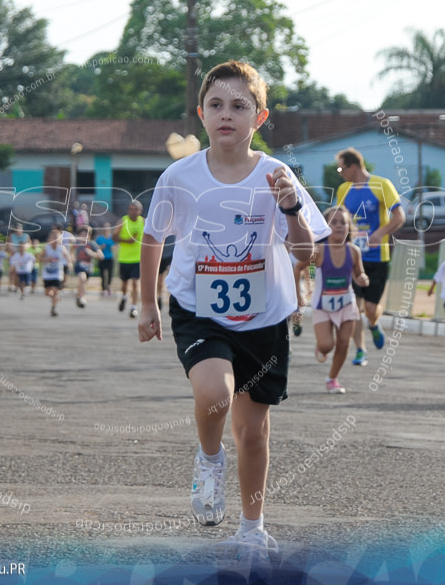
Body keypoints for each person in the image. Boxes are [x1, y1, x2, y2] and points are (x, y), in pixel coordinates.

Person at [137, 61, 329, 560]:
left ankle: (251, 526)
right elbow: (154, 236)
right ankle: (207, 457)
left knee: (253, 431)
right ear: (202, 114)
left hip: (263, 315)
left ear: (259, 117)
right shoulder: (180, 175)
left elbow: (307, 256)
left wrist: (290, 211)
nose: (227, 115)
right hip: (198, 308)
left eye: (239, 106)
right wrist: (147, 303)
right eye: (217, 105)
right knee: (215, 392)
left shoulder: (277, 176)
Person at [334, 147, 405, 365]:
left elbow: (399, 216)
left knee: (371, 309)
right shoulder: (343, 190)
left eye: (341, 168)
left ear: (353, 166)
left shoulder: (381, 185)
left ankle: (374, 324)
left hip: (377, 256)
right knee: (354, 307)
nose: (340, 173)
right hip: (354, 258)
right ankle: (360, 350)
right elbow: (338, 221)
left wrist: (380, 233)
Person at [311, 205, 369, 394]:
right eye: (333, 222)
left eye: (343, 222)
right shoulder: (319, 250)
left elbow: (359, 274)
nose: (339, 226)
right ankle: (321, 346)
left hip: (346, 302)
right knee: (327, 346)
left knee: (344, 343)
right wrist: (298, 293)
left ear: (349, 226)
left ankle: (332, 379)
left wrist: (363, 279)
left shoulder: (353, 251)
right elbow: (299, 267)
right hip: (322, 304)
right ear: (325, 227)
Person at [115, 200, 146, 319]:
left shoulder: (143, 222)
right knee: (124, 284)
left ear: (140, 211)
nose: (133, 211)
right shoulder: (123, 221)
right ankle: (123, 297)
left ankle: (134, 307)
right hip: (124, 258)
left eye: (135, 209)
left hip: (137, 258)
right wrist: (127, 240)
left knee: (134, 282)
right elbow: (114, 236)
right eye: (131, 209)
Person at [40, 226, 70, 317]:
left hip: (57, 274)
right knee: (47, 293)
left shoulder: (62, 248)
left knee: (55, 290)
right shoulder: (46, 248)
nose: (56, 239)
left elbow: (67, 257)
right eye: (54, 237)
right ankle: (54, 298)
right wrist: (46, 259)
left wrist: (70, 263)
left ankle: (53, 309)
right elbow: (40, 259)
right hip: (47, 274)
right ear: (49, 239)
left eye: (58, 237)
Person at [72, 226, 102, 308]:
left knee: (83, 283)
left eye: (85, 235)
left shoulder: (92, 244)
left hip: (88, 268)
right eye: (81, 235)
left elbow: (101, 256)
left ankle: (79, 296)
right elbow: (71, 252)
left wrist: (92, 253)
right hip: (79, 266)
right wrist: (72, 258)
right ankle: (82, 297)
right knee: (82, 278)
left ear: (89, 236)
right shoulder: (77, 244)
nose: (83, 237)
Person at [6, 223, 30, 292]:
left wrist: (24, 246)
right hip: (14, 255)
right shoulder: (12, 236)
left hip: (22, 255)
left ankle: (18, 286)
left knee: (19, 272)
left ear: (22, 229)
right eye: (16, 229)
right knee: (12, 271)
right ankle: (11, 285)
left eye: (19, 229)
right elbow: (8, 246)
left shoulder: (26, 236)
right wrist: (10, 248)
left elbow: (29, 244)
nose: (17, 230)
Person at [95, 224, 116, 296]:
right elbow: (96, 248)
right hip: (102, 258)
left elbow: (115, 247)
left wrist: (113, 248)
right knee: (102, 274)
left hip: (109, 258)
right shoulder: (99, 238)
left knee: (110, 274)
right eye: (104, 228)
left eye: (107, 228)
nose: (106, 229)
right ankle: (103, 288)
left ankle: (108, 286)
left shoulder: (112, 238)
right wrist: (101, 247)